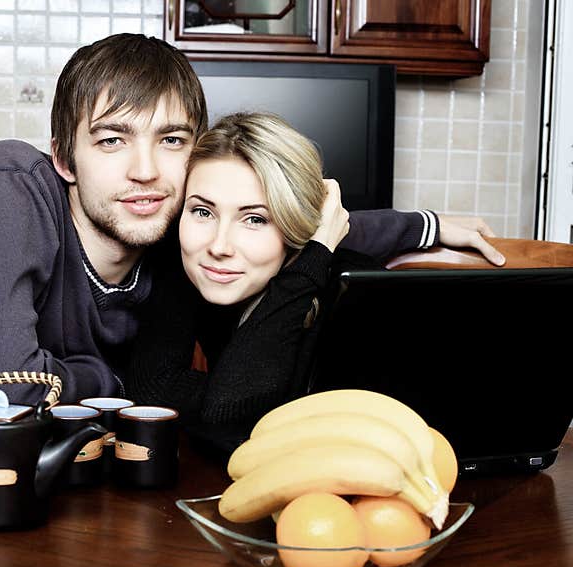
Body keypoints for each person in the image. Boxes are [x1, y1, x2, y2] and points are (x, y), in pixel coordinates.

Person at [0, 34, 503, 446]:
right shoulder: (9, 189)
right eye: (112, 139)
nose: (144, 169)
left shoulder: (169, 226)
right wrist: (110, 379)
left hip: (76, 481)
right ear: (65, 159)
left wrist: (430, 225)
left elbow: (291, 217)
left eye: (170, 140)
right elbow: (0, 397)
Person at [126, 112, 504, 457]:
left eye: (255, 219)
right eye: (203, 211)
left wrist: (314, 257)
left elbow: (228, 419)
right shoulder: (185, 268)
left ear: (296, 230)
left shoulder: (353, 293)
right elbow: (158, 396)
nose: (219, 246)